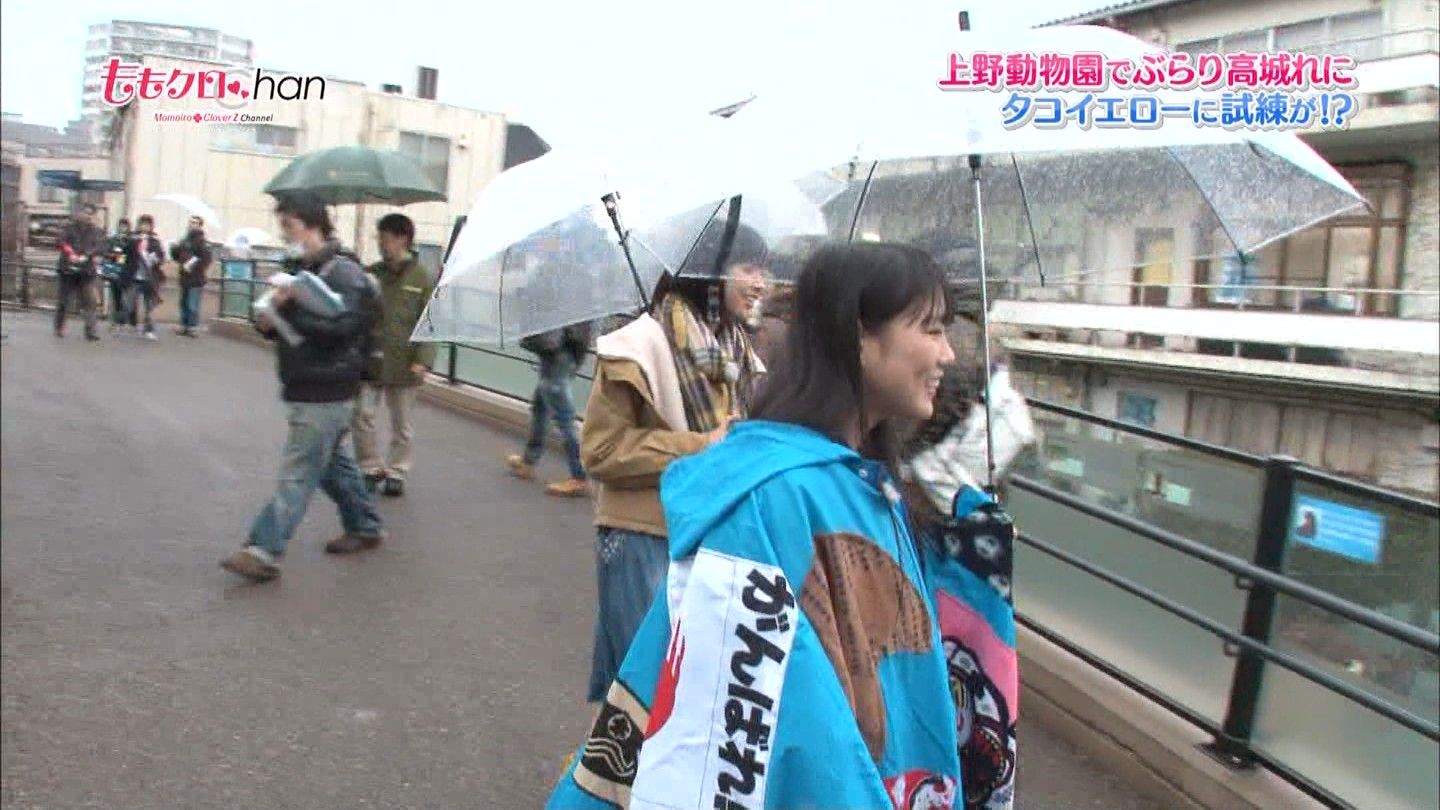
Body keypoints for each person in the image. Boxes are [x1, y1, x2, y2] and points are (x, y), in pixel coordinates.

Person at [548, 242, 974, 809]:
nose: (947, 353)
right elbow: (759, 726)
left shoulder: (850, 477)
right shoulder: (780, 493)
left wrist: (976, 543)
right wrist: (700, 446)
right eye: (931, 329)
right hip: (639, 535)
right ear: (859, 335)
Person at [578, 220, 769, 703]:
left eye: (764, 271)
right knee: (644, 694)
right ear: (711, 271)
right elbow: (600, 451)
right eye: (749, 268)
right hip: (642, 535)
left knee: (683, 694)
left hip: (705, 536)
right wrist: (703, 444)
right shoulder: (637, 346)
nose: (761, 283)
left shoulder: (734, 351)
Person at [220, 192, 385, 583]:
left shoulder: (343, 272)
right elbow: (301, 328)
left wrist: (290, 309)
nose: (285, 234)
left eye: (289, 226)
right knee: (330, 466)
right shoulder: (301, 270)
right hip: (309, 381)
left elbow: (344, 329)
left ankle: (262, 549)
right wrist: (271, 319)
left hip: (327, 385)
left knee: (299, 472)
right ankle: (365, 524)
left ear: (312, 224)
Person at [352, 213, 435, 498]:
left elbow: (430, 321)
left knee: (402, 423)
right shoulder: (371, 274)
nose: (381, 244)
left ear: (402, 239)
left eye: (385, 239)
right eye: (379, 238)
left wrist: (423, 360)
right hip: (371, 357)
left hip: (405, 361)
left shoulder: (422, 277)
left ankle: (397, 471)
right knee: (361, 415)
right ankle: (370, 467)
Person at [507, 317, 593, 497]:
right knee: (540, 407)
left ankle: (579, 476)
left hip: (558, 352)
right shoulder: (580, 303)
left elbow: (554, 329)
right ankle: (528, 461)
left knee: (564, 418)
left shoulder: (565, 301)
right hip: (561, 351)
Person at [54, 204, 106, 341]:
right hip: (68, 269)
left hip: (86, 271)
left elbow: (100, 247)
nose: (88, 216)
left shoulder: (96, 231)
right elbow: (60, 242)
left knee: (90, 302)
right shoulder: (69, 227)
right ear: (79, 213)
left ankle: (91, 331)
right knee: (64, 301)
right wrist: (70, 253)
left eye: (91, 214)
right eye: (85, 212)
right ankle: (59, 326)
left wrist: (88, 255)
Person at [123, 215, 166, 341]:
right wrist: (132, 241)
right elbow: (125, 253)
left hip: (149, 277)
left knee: (149, 306)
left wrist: (153, 258)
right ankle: (131, 323)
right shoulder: (133, 239)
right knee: (129, 302)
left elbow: (161, 257)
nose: (145, 227)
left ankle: (149, 329)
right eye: (143, 224)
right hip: (134, 276)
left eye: (147, 225)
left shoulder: (154, 241)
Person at [170, 215, 212, 337]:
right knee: (183, 302)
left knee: (192, 303)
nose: (192, 225)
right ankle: (184, 325)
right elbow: (177, 257)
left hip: (196, 277)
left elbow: (206, 259)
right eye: (191, 222)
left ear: (200, 226)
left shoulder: (202, 242)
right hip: (184, 276)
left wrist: (193, 265)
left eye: (195, 223)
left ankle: (192, 326)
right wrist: (174, 249)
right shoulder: (184, 240)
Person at [104, 218, 131, 333]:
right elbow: (107, 252)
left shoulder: (130, 240)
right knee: (114, 297)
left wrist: (120, 257)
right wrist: (112, 256)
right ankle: (114, 321)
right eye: (121, 226)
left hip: (125, 272)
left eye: (125, 226)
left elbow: (130, 255)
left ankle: (122, 320)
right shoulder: (113, 239)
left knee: (125, 298)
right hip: (113, 270)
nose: (122, 228)